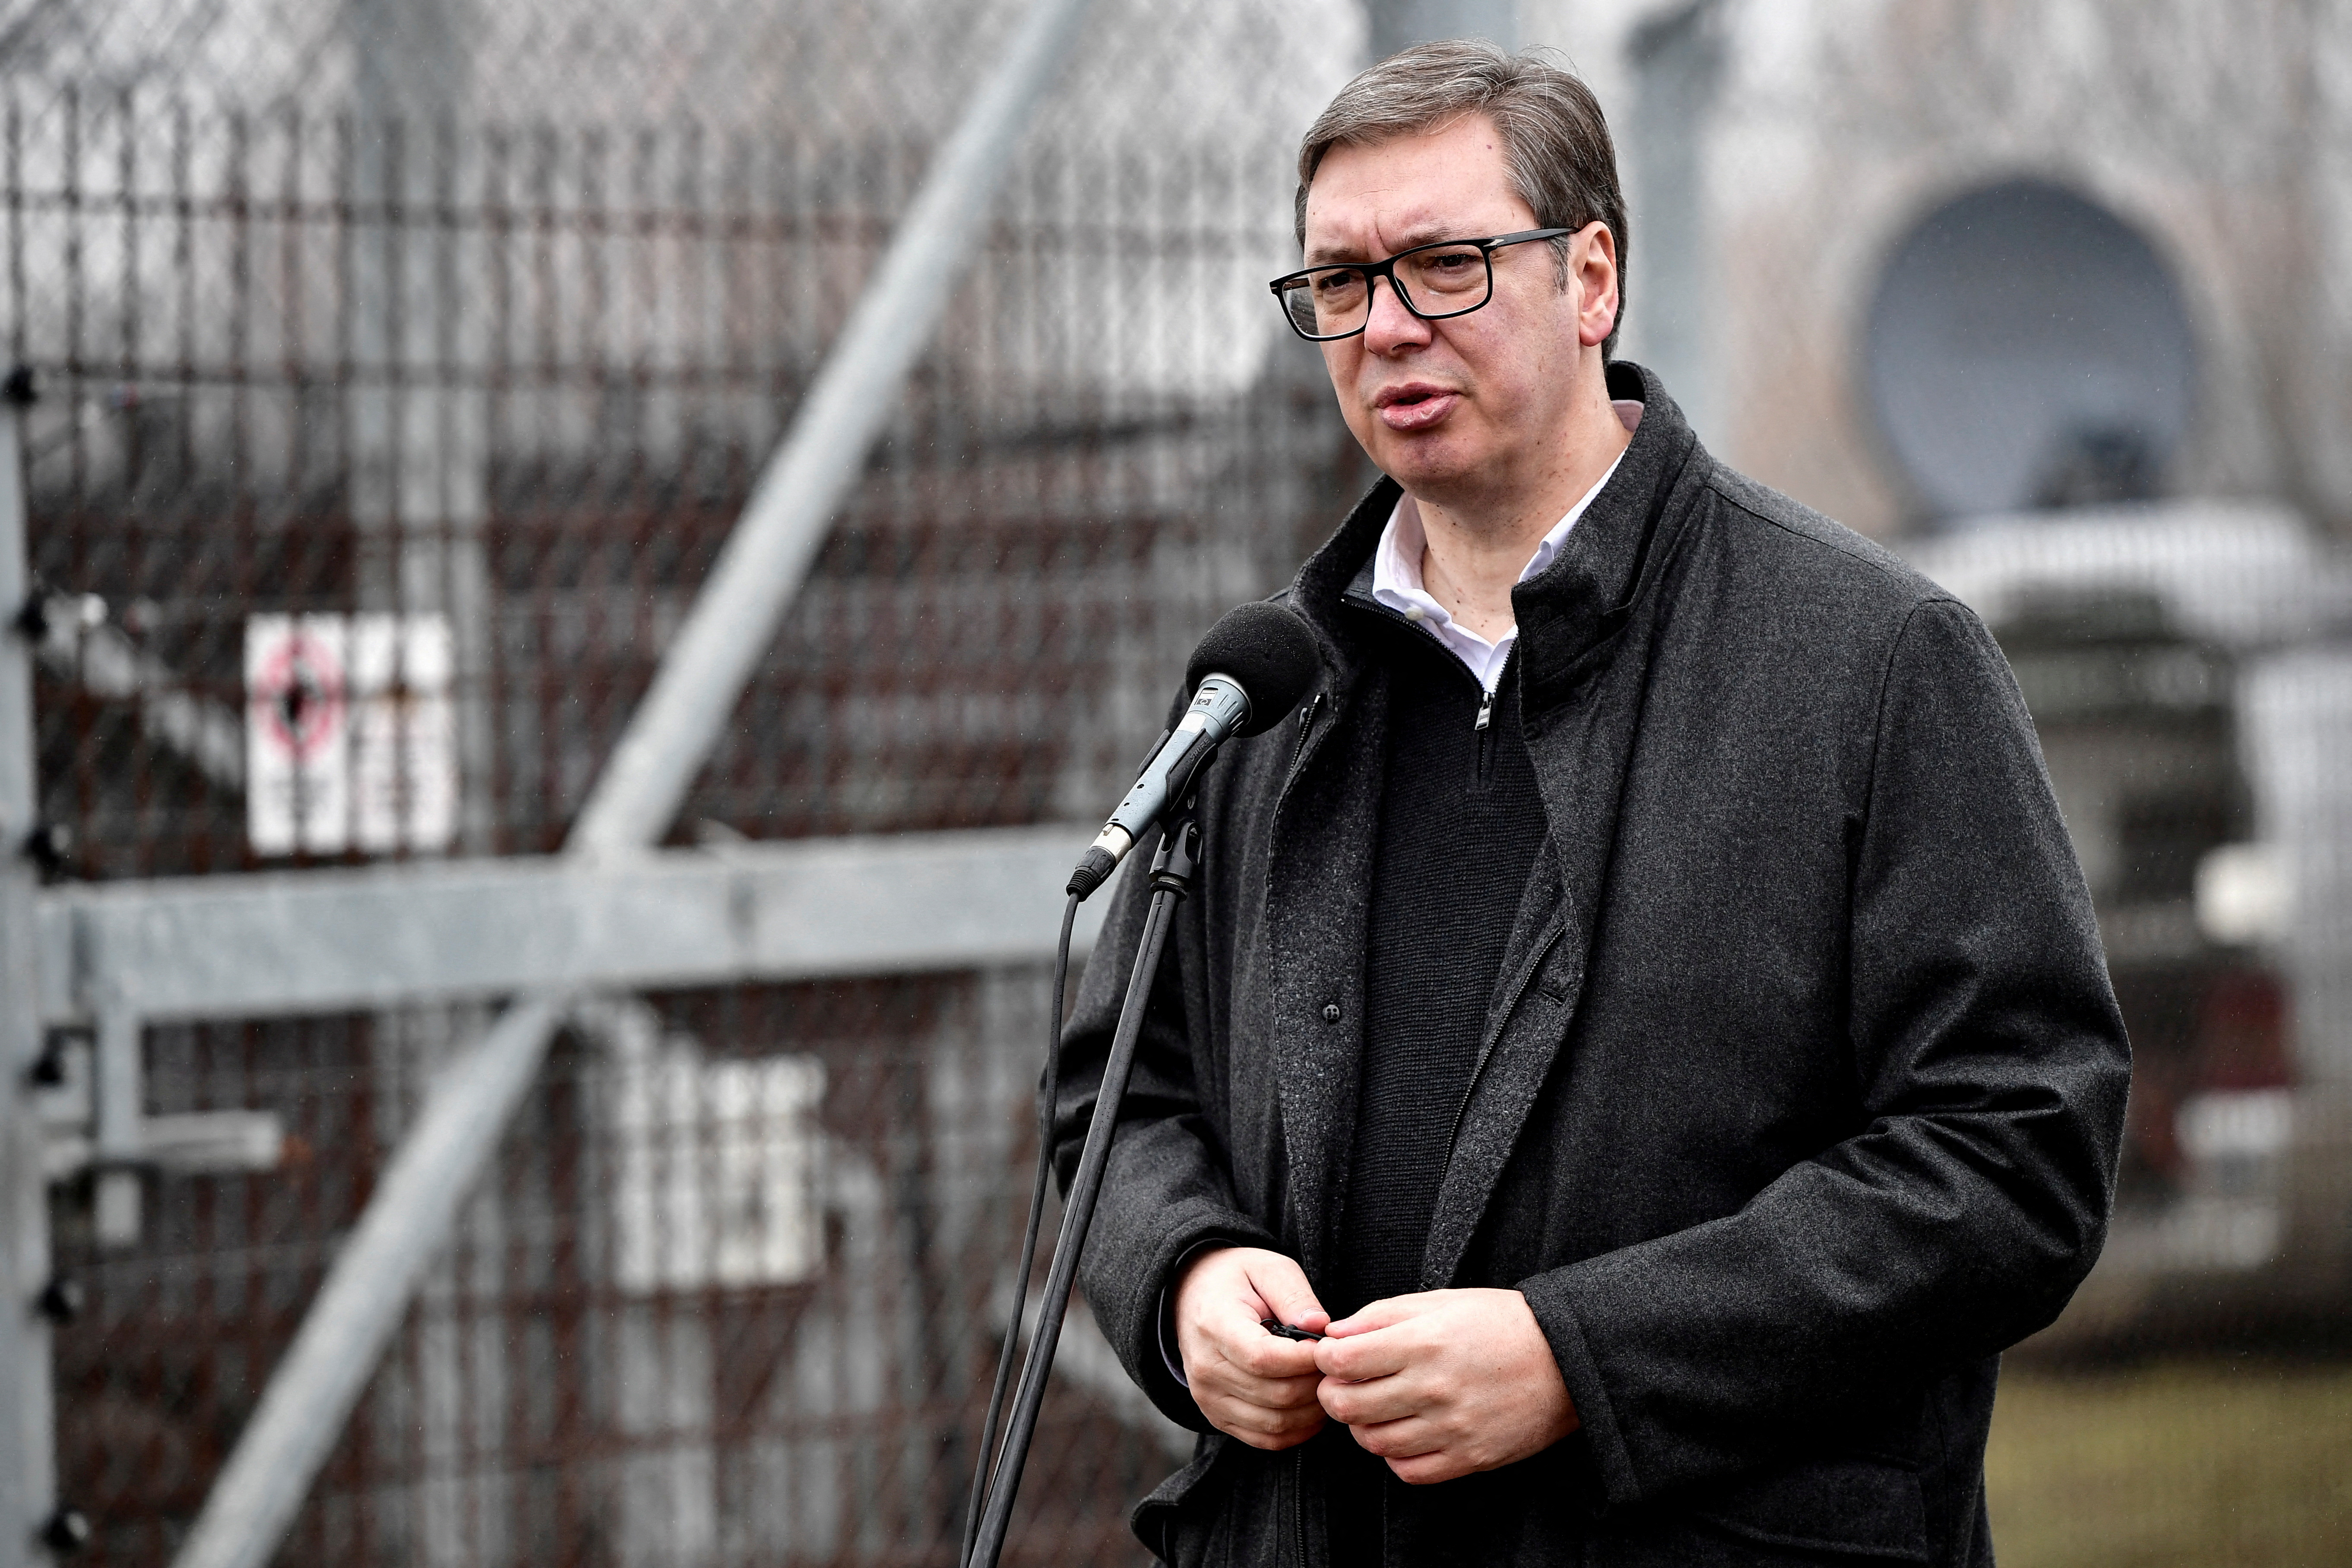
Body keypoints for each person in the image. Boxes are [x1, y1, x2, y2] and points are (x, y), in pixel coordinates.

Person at [1053, 39, 2129, 1568]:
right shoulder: (1267, 691)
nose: (1387, 327)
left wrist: (1583, 1357)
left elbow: (2017, 1150)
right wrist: (1185, 1278)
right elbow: (1121, 1099)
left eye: (1446, 263)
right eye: (1342, 283)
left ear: (1593, 279)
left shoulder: (1874, 665)